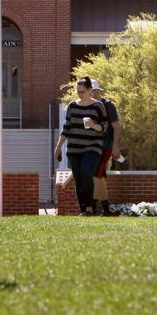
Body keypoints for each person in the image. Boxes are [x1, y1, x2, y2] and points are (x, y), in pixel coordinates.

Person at [54, 77, 108, 216]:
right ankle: (83, 210)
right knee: (78, 180)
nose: (80, 94)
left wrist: (93, 125)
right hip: (74, 149)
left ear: (90, 91)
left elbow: (104, 127)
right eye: (78, 91)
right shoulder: (72, 106)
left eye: (83, 91)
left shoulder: (98, 106)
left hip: (92, 147)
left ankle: (90, 207)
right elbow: (66, 129)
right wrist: (58, 147)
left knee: (86, 173)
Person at [90, 80, 122, 216]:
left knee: (97, 176)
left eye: (94, 91)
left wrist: (115, 147)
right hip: (91, 147)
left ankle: (91, 209)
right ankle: (105, 209)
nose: (92, 93)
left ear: (98, 91)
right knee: (98, 177)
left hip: (105, 147)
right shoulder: (87, 106)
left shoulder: (108, 105)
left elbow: (117, 127)